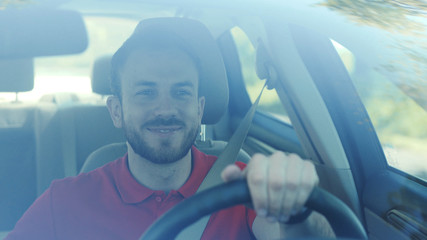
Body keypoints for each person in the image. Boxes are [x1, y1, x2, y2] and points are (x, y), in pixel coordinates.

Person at [6, 18, 333, 239]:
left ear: (200, 108)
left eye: (181, 92)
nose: (166, 109)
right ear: (116, 111)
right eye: (146, 92)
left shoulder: (247, 187)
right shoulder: (65, 201)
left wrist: (298, 210)